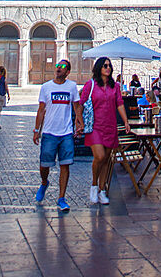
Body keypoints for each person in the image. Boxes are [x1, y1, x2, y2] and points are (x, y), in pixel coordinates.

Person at [33, 58, 83, 212]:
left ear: (67, 72)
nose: (58, 68)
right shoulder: (46, 87)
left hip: (66, 132)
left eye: (62, 67)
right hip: (49, 132)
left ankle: (61, 198)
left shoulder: (72, 86)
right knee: (44, 165)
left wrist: (79, 123)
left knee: (65, 165)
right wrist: (36, 130)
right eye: (57, 66)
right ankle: (44, 182)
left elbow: (76, 106)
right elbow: (41, 109)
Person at [80, 56, 131, 205]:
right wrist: (80, 122)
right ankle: (94, 185)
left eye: (109, 66)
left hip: (110, 126)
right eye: (105, 66)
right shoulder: (90, 85)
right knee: (100, 157)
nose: (108, 68)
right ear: (99, 68)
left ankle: (102, 191)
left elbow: (120, 104)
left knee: (107, 160)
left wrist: (126, 121)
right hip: (95, 126)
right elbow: (81, 104)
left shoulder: (114, 86)